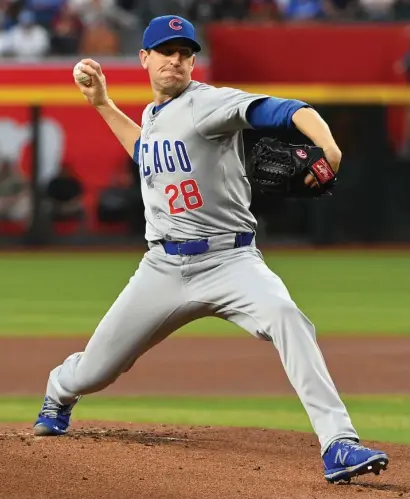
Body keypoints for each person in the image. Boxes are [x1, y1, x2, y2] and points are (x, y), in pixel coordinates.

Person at [33, 14, 389, 484]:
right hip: (162, 267)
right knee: (94, 372)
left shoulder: (211, 103)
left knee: (288, 318)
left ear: (193, 61)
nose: (176, 61)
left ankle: (338, 442)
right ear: (145, 59)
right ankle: (59, 390)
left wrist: (329, 146)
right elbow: (146, 152)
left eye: (185, 53)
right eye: (166, 52)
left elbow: (285, 110)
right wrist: (102, 104)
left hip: (231, 260)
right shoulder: (153, 114)